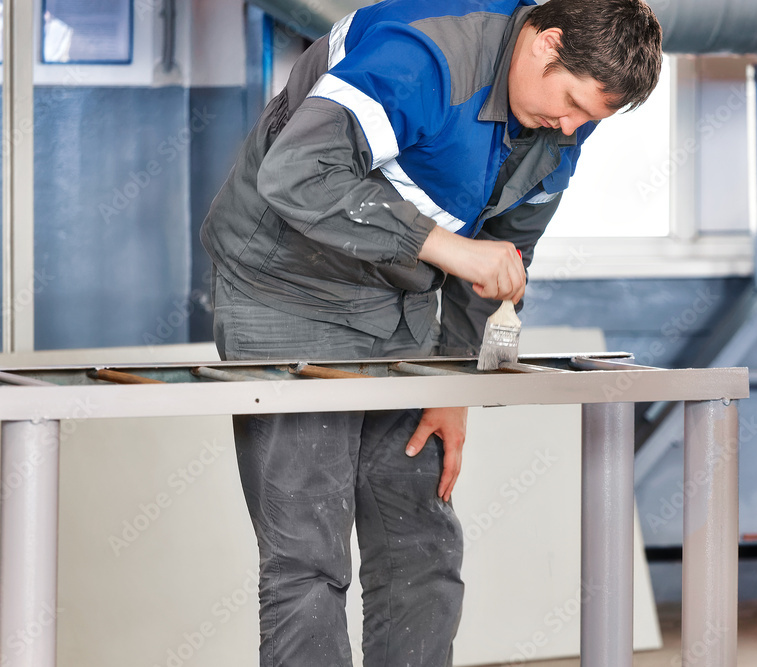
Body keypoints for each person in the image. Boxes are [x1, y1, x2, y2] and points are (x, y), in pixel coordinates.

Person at [200, 0, 662, 663]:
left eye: (590, 118)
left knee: (419, 539)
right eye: (571, 105)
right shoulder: (427, 58)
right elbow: (296, 173)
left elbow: (503, 258)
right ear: (546, 43)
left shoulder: (564, 118)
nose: (572, 127)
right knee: (309, 551)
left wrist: (454, 382)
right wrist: (446, 247)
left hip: (399, 300)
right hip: (286, 289)